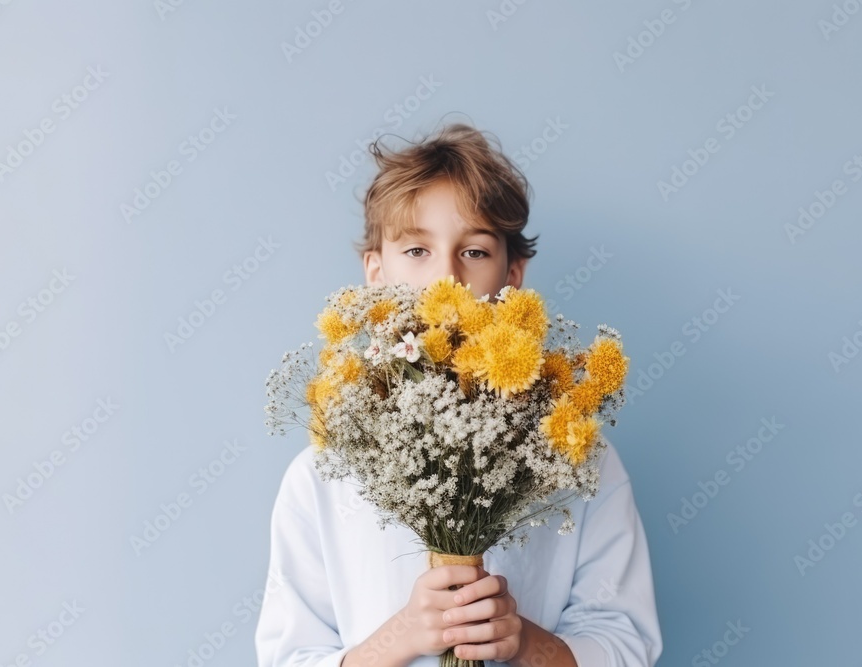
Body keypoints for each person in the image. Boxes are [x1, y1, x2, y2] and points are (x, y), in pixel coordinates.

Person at [255, 122, 663, 666]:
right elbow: (289, 656)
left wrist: (522, 640)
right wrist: (399, 638)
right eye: (417, 250)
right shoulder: (320, 477)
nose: (446, 278)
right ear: (376, 274)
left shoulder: (580, 460)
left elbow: (627, 645)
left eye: (473, 251)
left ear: (512, 276)